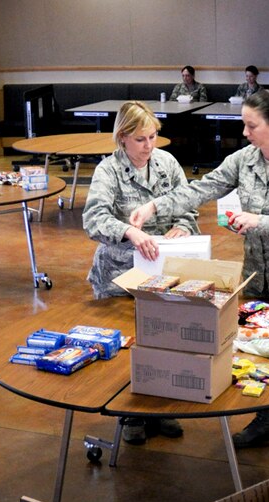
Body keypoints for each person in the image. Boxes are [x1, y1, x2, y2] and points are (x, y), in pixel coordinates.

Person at [129, 89, 269, 462]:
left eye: (251, 125)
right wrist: (154, 205)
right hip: (258, 279)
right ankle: (263, 420)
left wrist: (260, 221)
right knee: (258, 351)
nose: (245, 132)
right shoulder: (244, 161)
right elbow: (200, 189)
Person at [82, 100, 198, 445]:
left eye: (152, 137)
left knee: (165, 341)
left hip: (164, 274)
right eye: (140, 140)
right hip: (120, 277)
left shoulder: (167, 163)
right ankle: (130, 413)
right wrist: (129, 232)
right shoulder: (108, 171)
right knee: (129, 348)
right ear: (121, 138)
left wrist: (183, 226)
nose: (149, 146)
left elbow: (187, 203)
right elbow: (93, 219)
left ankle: (161, 407)